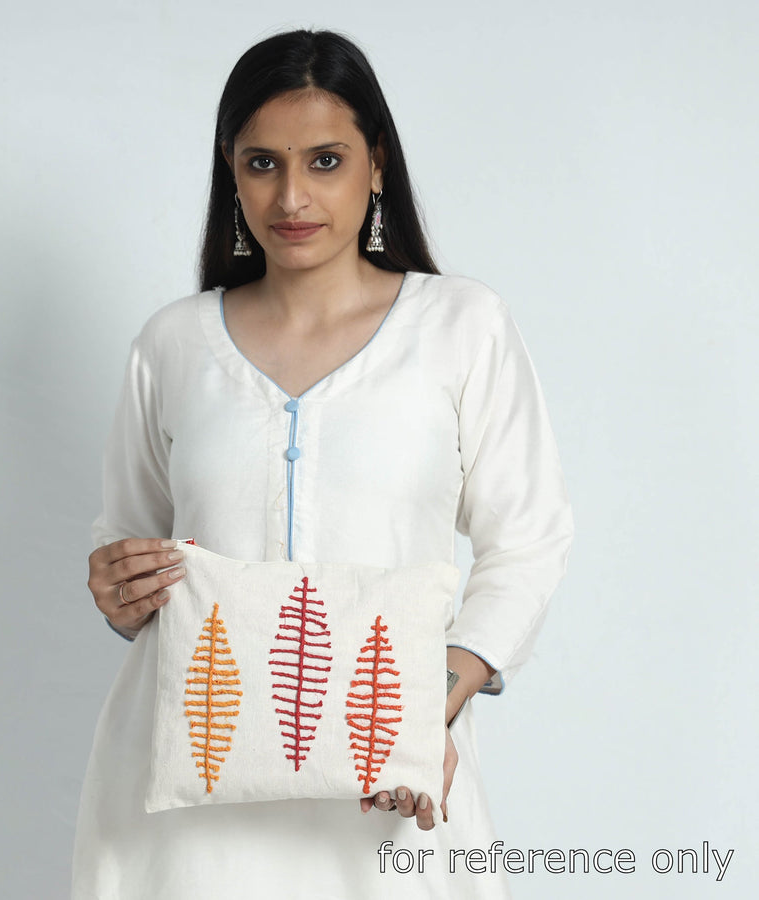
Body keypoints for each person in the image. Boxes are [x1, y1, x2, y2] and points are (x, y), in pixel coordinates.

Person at [75, 29, 573, 899]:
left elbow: (528, 542)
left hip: (390, 792)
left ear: (376, 165)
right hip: (186, 810)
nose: (292, 196)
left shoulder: (461, 327)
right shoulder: (174, 344)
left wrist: (427, 703)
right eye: (262, 163)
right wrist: (116, 586)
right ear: (231, 172)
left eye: (326, 161)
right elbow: (129, 542)